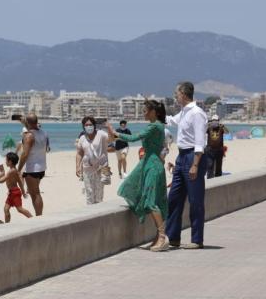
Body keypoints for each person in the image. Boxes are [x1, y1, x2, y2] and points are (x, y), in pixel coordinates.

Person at [108, 100, 170, 252]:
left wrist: (115, 133)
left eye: (145, 110)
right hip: (150, 164)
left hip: (152, 166)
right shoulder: (157, 126)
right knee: (151, 198)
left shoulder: (155, 126)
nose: (143, 113)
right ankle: (159, 236)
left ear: (154, 112)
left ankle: (162, 237)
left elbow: (134, 138)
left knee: (150, 201)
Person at [165, 82, 208, 250]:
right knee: (174, 198)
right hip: (181, 156)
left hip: (193, 157)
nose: (175, 97)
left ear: (183, 94)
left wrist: (195, 165)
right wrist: (155, 111)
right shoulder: (184, 112)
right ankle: (172, 237)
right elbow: (170, 121)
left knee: (195, 200)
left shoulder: (197, 113)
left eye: (177, 93)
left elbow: (200, 142)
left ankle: (197, 239)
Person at [17, 113, 48, 216]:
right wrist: (25, 123)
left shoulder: (29, 136)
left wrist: (19, 169)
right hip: (41, 167)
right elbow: (33, 128)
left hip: (32, 169)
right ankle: (39, 215)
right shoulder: (43, 133)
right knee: (35, 192)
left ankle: (39, 216)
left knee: (35, 194)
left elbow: (25, 154)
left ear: (28, 122)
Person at [76, 116, 110, 205]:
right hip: (87, 170)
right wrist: (77, 167)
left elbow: (112, 139)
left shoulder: (101, 134)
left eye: (90, 124)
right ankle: (90, 211)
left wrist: (109, 127)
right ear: (83, 126)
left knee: (99, 196)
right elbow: (79, 153)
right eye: (86, 125)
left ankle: (99, 212)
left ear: (94, 125)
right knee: (89, 194)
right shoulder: (82, 138)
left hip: (101, 169)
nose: (88, 126)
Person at [2, 152, 33, 222]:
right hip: (11, 192)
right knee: (6, 209)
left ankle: (32, 218)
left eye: (6, 160)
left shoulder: (12, 171)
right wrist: (23, 192)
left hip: (15, 193)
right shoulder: (14, 171)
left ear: (10, 162)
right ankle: (7, 224)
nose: (5, 162)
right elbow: (20, 182)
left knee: (20, 209)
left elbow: (2, 180)